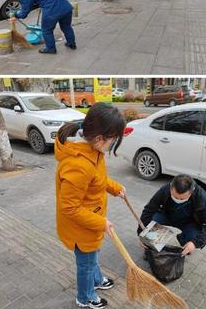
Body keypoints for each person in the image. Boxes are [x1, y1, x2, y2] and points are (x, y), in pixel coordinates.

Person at [55, 103, 126, 309]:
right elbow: (68, 207)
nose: (113, 144)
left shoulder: (93, 150)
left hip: (92, 222)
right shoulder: (79, 164)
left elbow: (98, 179)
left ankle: (97, 280)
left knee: (93, 254)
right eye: (113, 139)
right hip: (81, 227)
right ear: (99, 138)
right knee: (85, 264)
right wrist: (100, 221)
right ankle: (85, 297)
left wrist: (115, 188)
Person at [138, 175, 206, 256]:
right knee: (151, 222)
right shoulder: (164, 189)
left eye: (182, 199)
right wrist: (142, 233)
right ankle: (152, 247)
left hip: (188, 222)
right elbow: (148, 210)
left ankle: (184, 241)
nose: (178, 200)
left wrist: (195, 243)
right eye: (175, 197)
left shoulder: (201, 197)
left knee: (193, 237)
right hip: (166, 216)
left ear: (192, 191)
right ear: (171, 187)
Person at [4, 0, 76, 54]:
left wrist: (16, 15)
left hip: (52, 12)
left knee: (46, 30)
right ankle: (71, 44)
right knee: (66, 26)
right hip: (66, 8)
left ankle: (51, 49)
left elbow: (24, 13)